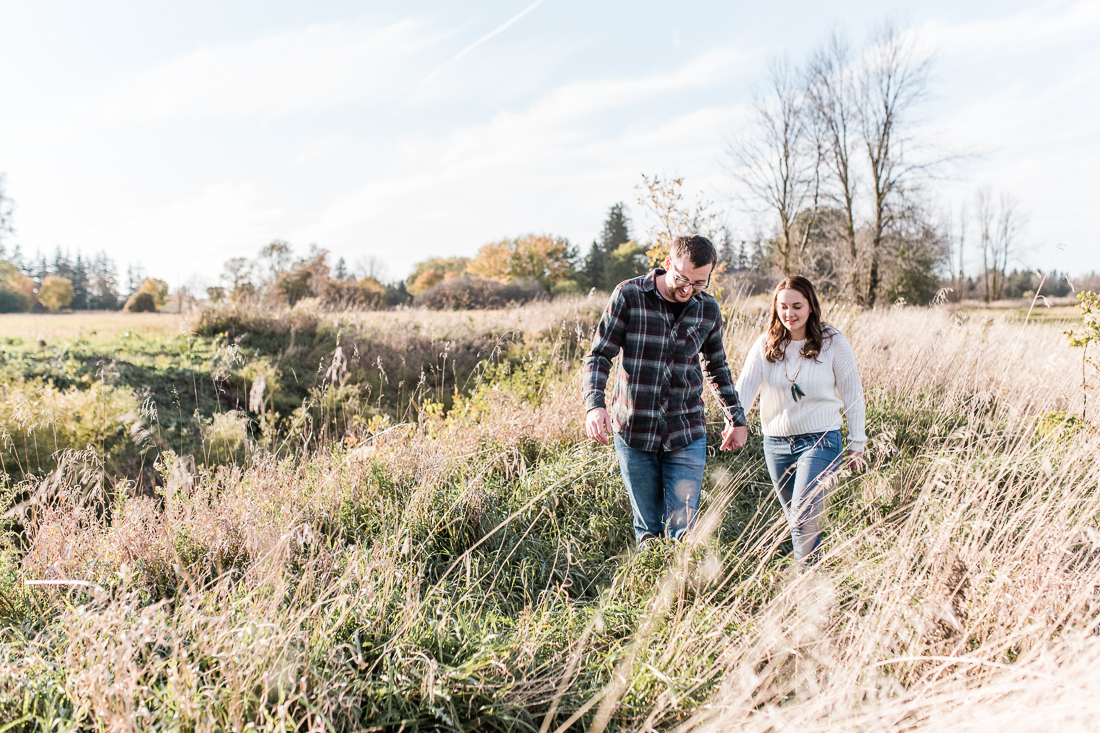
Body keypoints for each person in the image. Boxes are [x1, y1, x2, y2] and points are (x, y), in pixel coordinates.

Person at [582, 234, 748, 545]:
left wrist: (736, 418)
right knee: (649, 533)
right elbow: (599, 355)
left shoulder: (707, 309)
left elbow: (717, 367)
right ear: (668, 264)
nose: (688, 289)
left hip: (686, 431)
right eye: (682, 278)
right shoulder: (628, 295)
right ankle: (650, 591)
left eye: (699, 283)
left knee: (685, 532)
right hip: (634, 431)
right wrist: (595, 404)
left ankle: (682, 593)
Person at [735, 275, 866, 562]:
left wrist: (857, 442)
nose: (789, 314)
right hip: (776, 445)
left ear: (810, 306)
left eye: (796, 306)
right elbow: (743, 389)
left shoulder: (832, 342)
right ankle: (816, 584)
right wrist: (735, 421)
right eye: (783, 307)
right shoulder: (766, 345)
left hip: (821, 440)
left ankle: (803, 588)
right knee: (797, 523)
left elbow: (853, 392)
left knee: (802, 517)